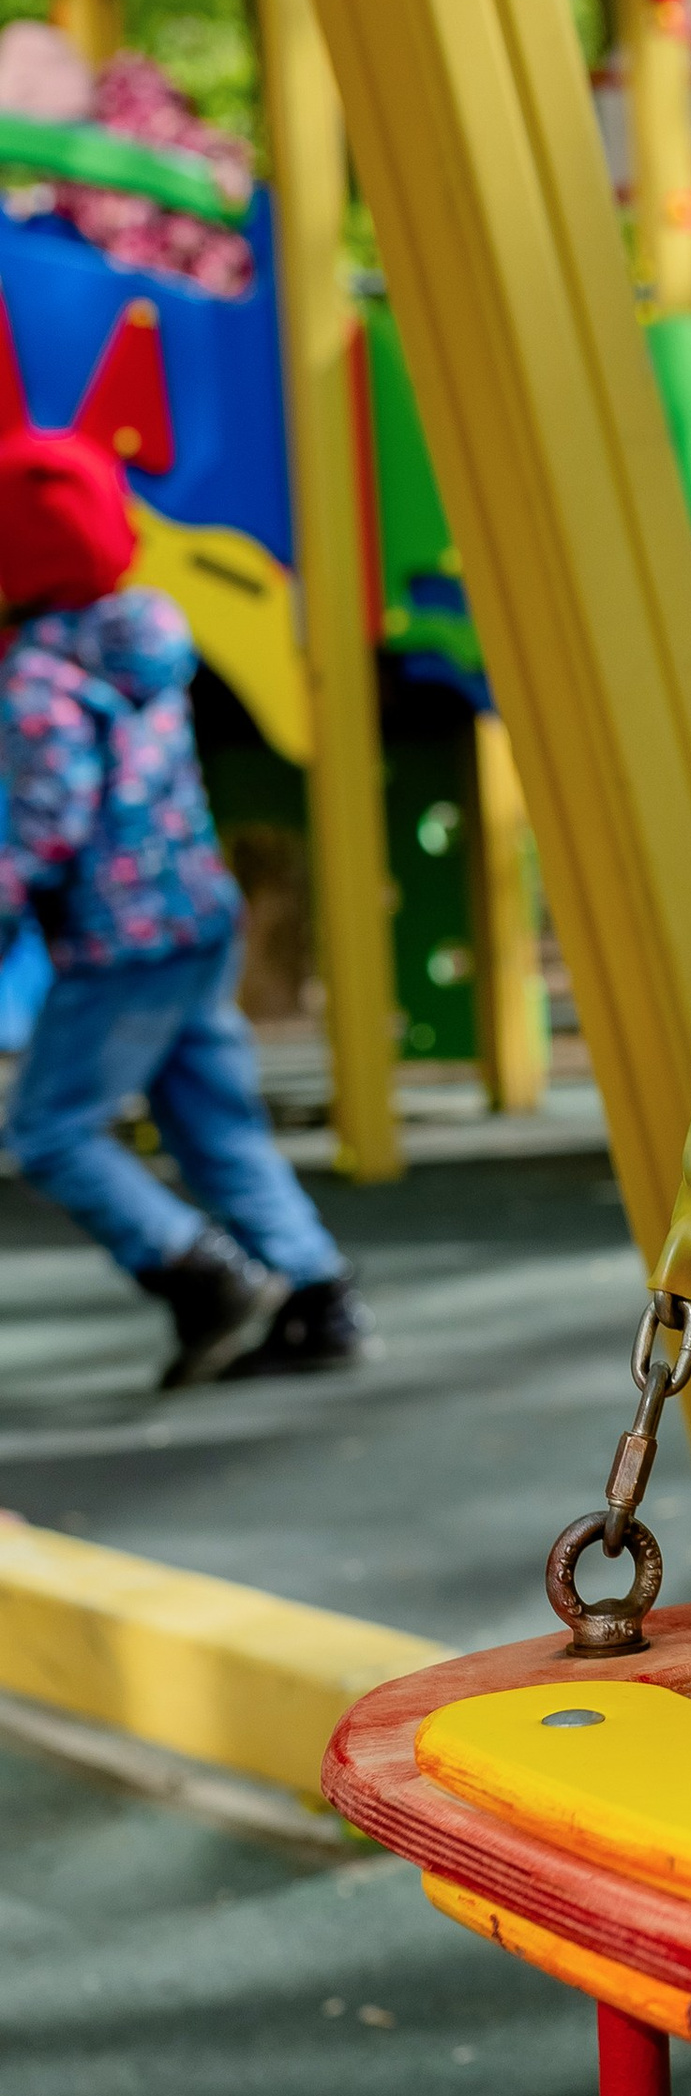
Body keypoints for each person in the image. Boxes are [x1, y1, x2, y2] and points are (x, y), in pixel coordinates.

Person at [0, 424, 373, 1381]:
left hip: (118, 944)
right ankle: (318, 1293)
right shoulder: (147, 638)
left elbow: (48, 823)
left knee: (47, 1129)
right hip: (199, 918)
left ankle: (200, 1272)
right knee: (214, 1123)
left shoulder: (40, 678)